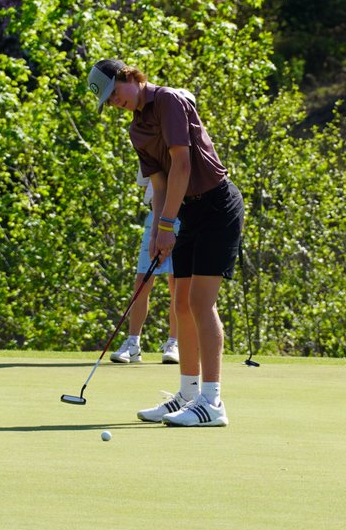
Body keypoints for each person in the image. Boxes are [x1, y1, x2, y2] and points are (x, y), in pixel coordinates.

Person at [88, 58, 244, 427]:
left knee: (202, 303)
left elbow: (184, 166)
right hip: (185, 212)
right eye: (109, 102)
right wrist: (160, 231)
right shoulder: (137, 129)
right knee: (182, 304)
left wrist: (168, 224)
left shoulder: (171, 101)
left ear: (129, 77)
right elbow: (159, 185)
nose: (115, 103)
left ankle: (212, 402)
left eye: (115, 94)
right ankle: (188, 395)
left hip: (217, 206)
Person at [110, 170, 180, 364]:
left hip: (183, 218)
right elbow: (145, 184)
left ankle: (174, 343)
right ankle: (133, 343)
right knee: (142, 283)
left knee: (177, 286)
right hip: (154, 218)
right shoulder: (147, 145)